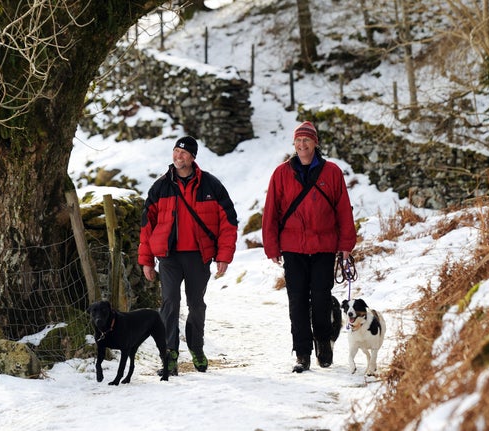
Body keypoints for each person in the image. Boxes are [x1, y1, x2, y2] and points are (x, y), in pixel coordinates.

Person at [262, 121, 357, 373]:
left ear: (315, 143)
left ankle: (323, 342)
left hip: (324, 246)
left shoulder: (332, 172)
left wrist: (346, 244)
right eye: (298, 141)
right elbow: (271, 211)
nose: (302, 145)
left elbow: (343, 210)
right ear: (294, 145)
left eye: (307, 140)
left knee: (322, 298)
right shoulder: (281, 173)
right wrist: (271, 245)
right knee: (297, 300)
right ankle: (302, 352)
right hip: (293, 248)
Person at [138, 136, 238, 375]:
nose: (178, 157)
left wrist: (224, 255)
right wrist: (146, 260)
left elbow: (228, 221)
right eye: (175, 152)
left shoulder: (211, 186)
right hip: (169, 257)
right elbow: (146, 226)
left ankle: (196, 348)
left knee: (196, 306)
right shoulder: (160, 186)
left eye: (183, 153)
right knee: (170, 304)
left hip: (198, 257)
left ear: (192, 157)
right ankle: (169, 354)